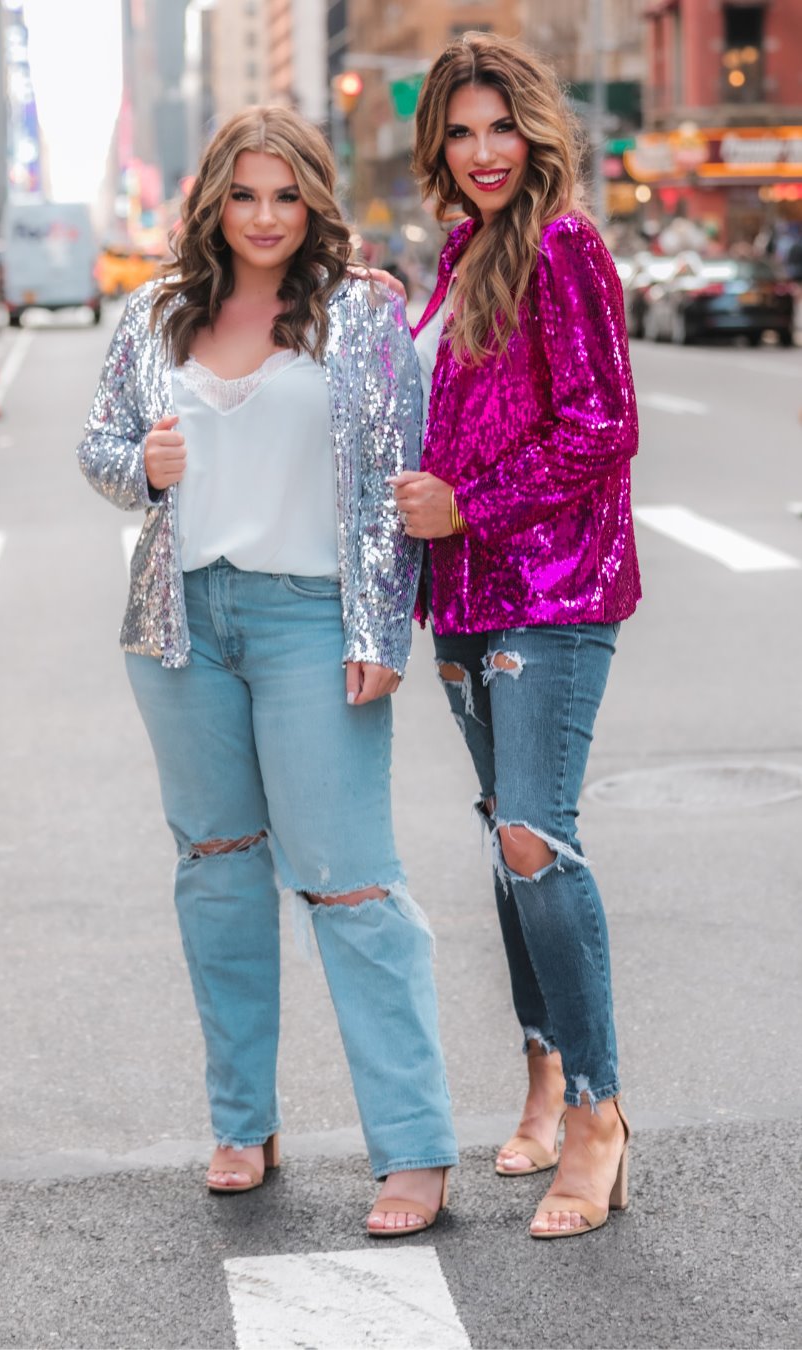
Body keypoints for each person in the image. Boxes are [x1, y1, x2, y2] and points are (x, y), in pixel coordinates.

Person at [77, 106, 458, 1237]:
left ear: (315, 201)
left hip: (309, 619)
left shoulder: (362, 316)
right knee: (218, 872)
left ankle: (415, 1147)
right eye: (244, 195)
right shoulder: (154, 313)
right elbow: (100, 452)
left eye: (286, 195)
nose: (264, 217)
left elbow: (401, 478)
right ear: (213, 202)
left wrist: (380, 636)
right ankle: (243, 1122)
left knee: (349, 881)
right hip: (181, 625)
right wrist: (141, 468)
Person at [392, 32, 640, 1239]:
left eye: (503, 127)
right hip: (467, 595)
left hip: (555, 587)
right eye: (462, 130)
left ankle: (598, 1116)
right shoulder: (461, 253)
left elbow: (604, 426)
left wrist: (469, 506)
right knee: (506, 840)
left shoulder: (563, 242)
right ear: (439, 143)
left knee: (538, 836)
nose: (485, 152)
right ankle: (542, 1075)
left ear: (536, 128)